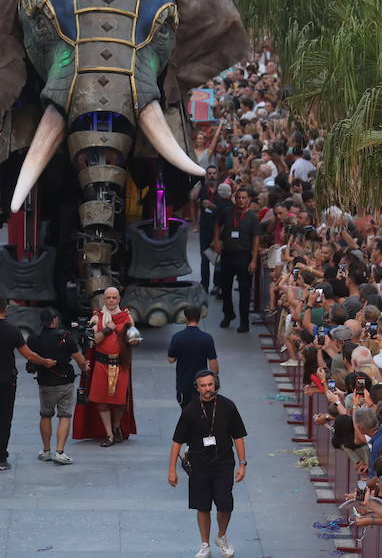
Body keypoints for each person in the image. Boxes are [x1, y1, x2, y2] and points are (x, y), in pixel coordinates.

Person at [168, 370, 247, 558]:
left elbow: (238, 437)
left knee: (225, 504)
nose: (207, 389)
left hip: (224, 462)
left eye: (210, 384)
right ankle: (205, 544)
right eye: (203, 385)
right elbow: (177, 441)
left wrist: (242, 464)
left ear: (216, 385)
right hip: (199, 464)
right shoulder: (190, 410)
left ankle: (221, 536)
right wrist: (172, 470)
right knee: (202, 506)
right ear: (197, 388)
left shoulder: (228, 406)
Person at [0, 295, 53, 470]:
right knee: (4, 420)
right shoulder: (13, 330)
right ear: (6, 309)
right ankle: (1, 458)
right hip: (8, 381)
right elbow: (28, 355)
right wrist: (45, 361)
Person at [28, 308, 86, 466]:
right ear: (54, 320)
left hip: (45, 381)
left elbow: (31, 359)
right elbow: (79, 359)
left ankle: (46, 450)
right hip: (64, 381)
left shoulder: (34, 338)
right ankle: (59, 451)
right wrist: (85, 369)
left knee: (45, 415)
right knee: (65, 415)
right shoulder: (66, 337)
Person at [86, 286, 135, 446]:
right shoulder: (96, 318)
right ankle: (109, 435)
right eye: (108, 298)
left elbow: (135, 340)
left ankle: (116, 427)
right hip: (101, 364)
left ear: (119, 299)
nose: (111, 301)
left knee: (121, 401)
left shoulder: (127, 317)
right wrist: (108, 329)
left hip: (120, 364)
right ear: (104, 300)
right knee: (101, 401)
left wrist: (131, 334)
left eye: (114, 298)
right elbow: (93, 341)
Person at [213, 188, 261, 332]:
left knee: (244, 290)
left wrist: (253, 260)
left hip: (244, 256)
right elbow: (216, 224)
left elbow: (256, 239)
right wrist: (216, 241)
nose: (241, 200)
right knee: (225, 287)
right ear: (235, 198)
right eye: (238, 197)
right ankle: (228, 314)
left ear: (248, 200)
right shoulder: (227, 212)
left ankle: (244, 322)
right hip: (227, 254)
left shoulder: (252, 217)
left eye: (244, 198)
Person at [167, 306, 220, 407]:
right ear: (199, 318)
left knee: (186, 415)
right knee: (202, 414)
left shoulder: (177, 337)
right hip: (202, 385)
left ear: (185, 318)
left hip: (184, 386)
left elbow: (171, 359)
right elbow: (213, 362)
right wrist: (214, 379)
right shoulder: (207, 338)